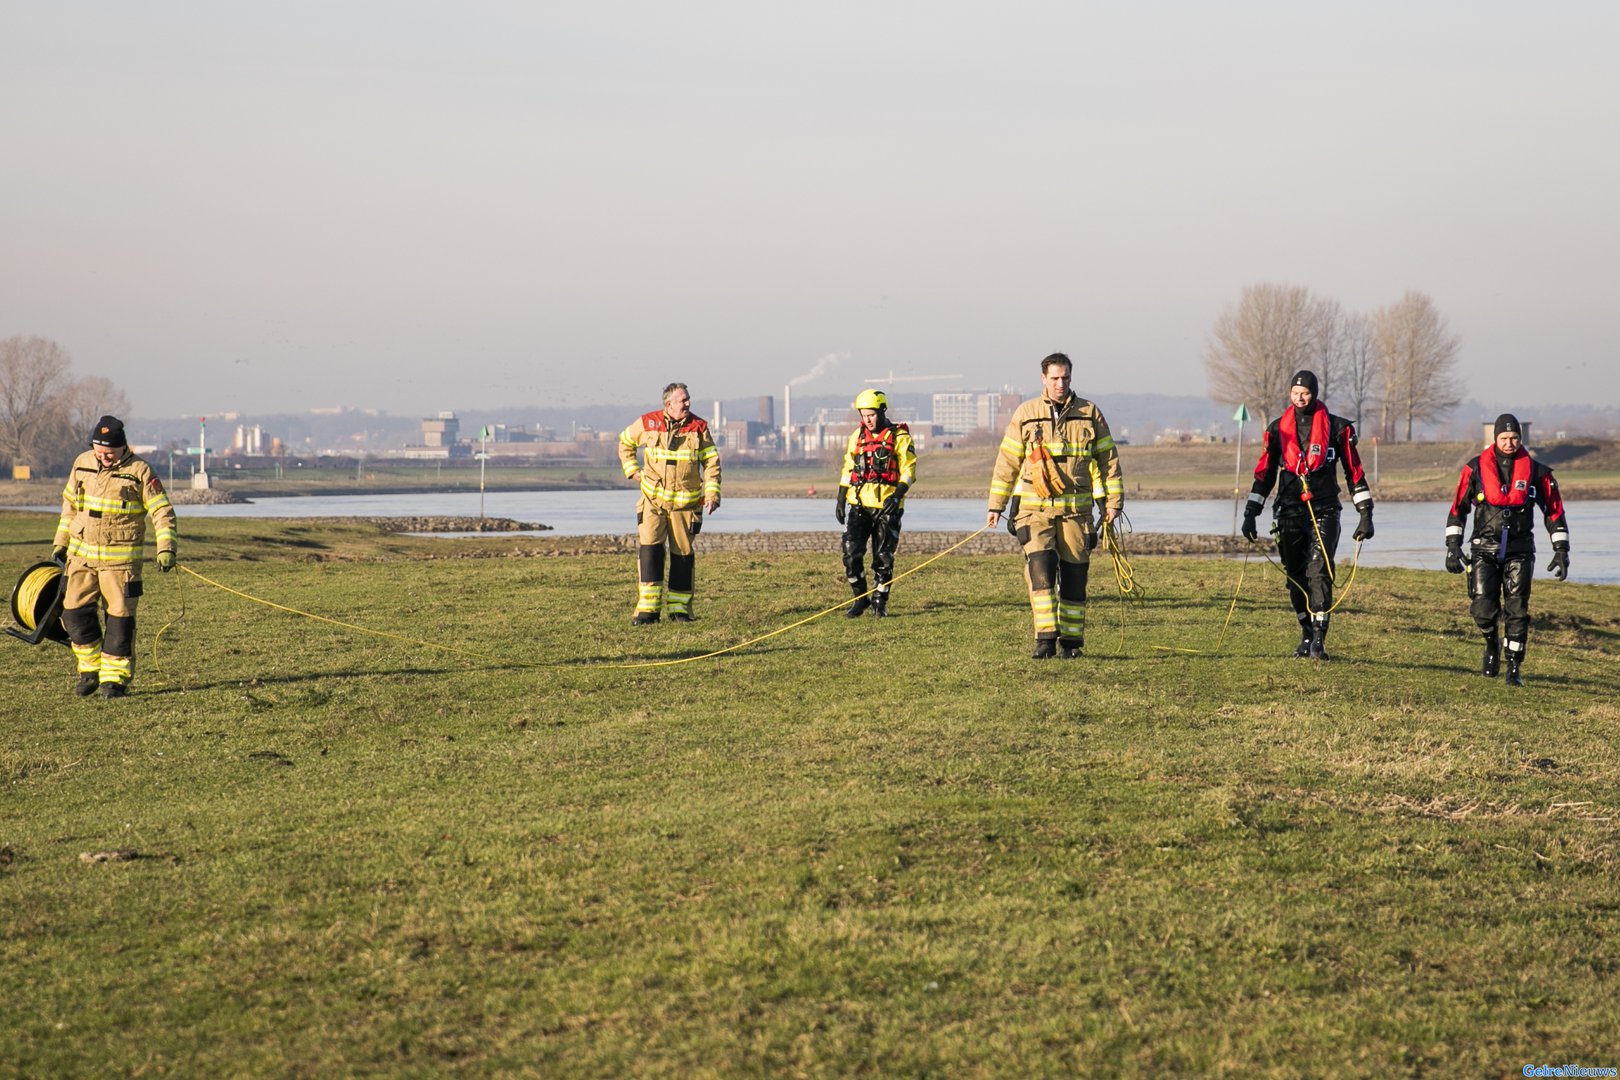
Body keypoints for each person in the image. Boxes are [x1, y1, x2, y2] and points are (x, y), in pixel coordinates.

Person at [986, 353, 1123, 659]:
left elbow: (1109, 460)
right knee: (1041, 570)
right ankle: (1045, 639)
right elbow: (1007, 463)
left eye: (1065, 378)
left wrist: (1113, 503)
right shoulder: (1026, 413)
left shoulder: (1089, 413)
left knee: (1075, 579)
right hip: (1034, 512)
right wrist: (996, 505)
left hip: (1076, 514)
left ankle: (1071, 645)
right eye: (1055, 378)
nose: (1061, 384)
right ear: (1043, 379)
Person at [1242, 370, 1373, 661]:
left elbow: (1354, 472)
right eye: (1295, 393)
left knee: (1319, 571)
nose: (1300, 398)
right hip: (1289, 509)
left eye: (1305, 393)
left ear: (1315, 394)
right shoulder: (1277, 429)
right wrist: (1251, 512)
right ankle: (1305, 632)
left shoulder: (1338, 428)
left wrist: (1365, 513)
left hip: (1325, 509)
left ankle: (1318, 638)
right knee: (1296, 575)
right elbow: (1264, 475)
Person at [51, 415, 178, 698]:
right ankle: (90, 671)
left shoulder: (140, 471)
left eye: (109, 452)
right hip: (80, 558)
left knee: (119, 622)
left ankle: (114, 681)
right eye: (98, 451)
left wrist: (166, 548)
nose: (103, 456)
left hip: (121, 564)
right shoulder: (81, 463)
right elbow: (69, 507)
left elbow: (162, 511)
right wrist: (60, 542)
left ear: (123, 447)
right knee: (72, 614)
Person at [1444, 414, 1570, 687]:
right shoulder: (1474, 469)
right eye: (1504, 438)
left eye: (1514, 438)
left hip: (1520, 550)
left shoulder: (1538, 472)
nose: (1510, 443)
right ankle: (1491, 643)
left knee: (1517, 611)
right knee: (1482, 609)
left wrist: (1561, 549)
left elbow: (1554, 512)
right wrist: (1453, 545)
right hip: (1483, 549)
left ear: (1520, 439)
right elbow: (1458, 509)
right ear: (1496, 439)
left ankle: (1513, 666)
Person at [617, 383, 721, 624]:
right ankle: (647, 612)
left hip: (685, 507)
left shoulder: (699, 427)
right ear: (669, 404)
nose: (688, 404)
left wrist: (712, 494)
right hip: (652, 503)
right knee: (650, 551)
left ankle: (680, 611)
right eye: (683, 400)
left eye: (688, 399)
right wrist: (633, 471)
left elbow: (712, 462)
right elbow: (625, 443)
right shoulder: (648, 423)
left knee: (682, 556)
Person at [836, 389, 917, 617]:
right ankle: (860, 598)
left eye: (871, 415)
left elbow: (909, 470)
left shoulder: (900, 437)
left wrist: (897, 494)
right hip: (859, 504)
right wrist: (841, 498)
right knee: (851, 552)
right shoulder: (857, 436)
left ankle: (880, 603)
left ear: (882, 411)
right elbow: (848, 467)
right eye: (864, 416)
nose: (868, 420)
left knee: (883, 557)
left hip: (888, 506)